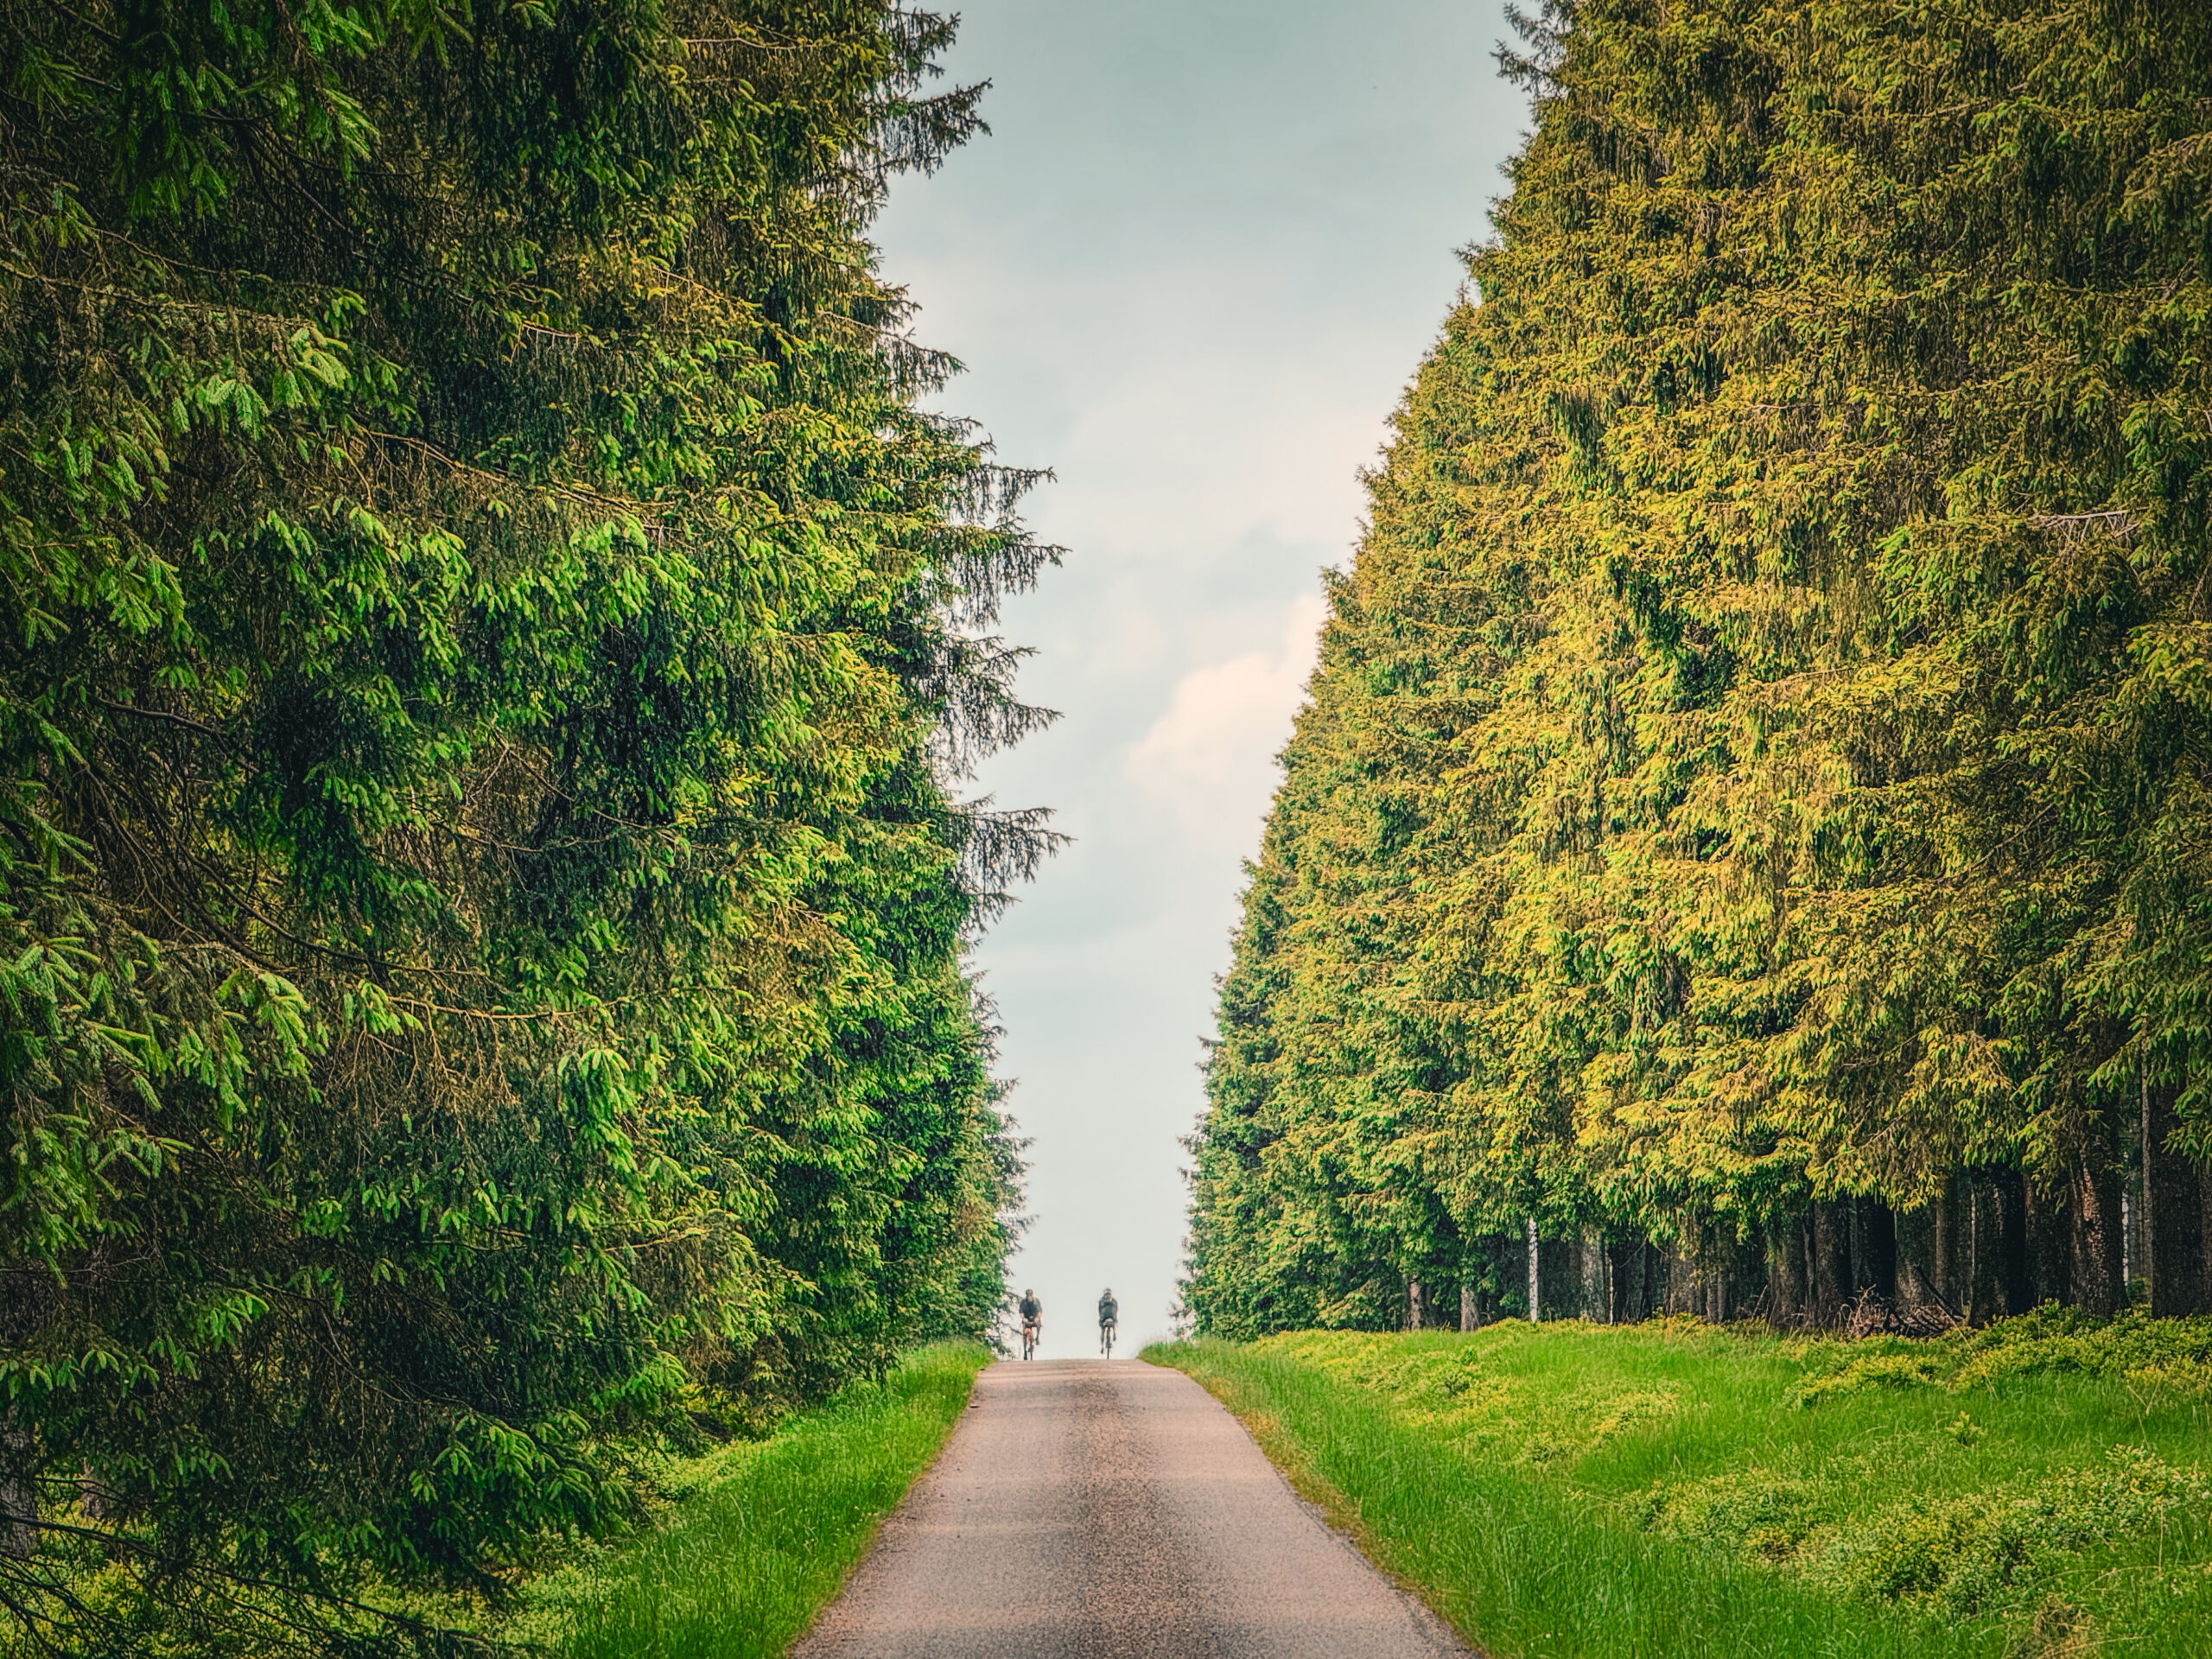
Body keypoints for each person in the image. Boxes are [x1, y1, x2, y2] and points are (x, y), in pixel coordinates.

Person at [1018, 1288, 1042, 1359]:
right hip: (1026, 1319)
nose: (1029, 1296)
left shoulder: (1036, 1301)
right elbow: (1021, 1311)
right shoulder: (1023, 1302)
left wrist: (1037, 1318)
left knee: (1038, 1325)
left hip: (1035, 1318)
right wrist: (1023, 1318)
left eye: (1030, 1295)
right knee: (1025, 1334)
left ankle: (1037, 1338)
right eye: (1028, 1295)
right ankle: (1025, 1352)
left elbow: (1040, 1311)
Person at [1097, 1287, 1119, 1357]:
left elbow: (1099, 1310)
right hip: (1112, 1316)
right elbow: (1116, 1310)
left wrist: (1100, 1319)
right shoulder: (1114, 1300)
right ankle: (1114, 1334)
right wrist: (1116, 1320)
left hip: (1103, 1317)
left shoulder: (1101, 1300)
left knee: (1103, 1330)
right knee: (1114, 1323)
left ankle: (1102, 1346)